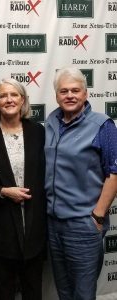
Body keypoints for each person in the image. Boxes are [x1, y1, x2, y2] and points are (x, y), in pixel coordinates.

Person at [0, 78, 46, 300]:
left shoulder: (38, 132)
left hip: (35, 224)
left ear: (23, 100)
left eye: (14, 95)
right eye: (3, 96)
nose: (9, 99)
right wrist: (3, 191)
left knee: (33, 287)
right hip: (1, 224)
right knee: (3, 288)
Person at [45, 66, 117, 300]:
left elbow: (114, 173)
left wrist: (97, 216)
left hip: (83, 224)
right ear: (56, 95)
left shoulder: (102, 125)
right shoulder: (51, 122)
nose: (70, 95)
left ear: (86, 94)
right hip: (53, 224)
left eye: (75, 90)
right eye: (63, 91)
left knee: (83, 294)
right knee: (64, 291)